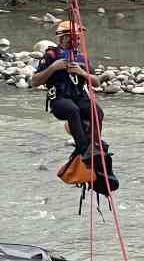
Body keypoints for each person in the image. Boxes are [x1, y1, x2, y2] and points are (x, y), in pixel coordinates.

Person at [31, 20, 101, 163]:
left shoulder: (81, 57)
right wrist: (53, 68)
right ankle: (83, 148)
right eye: (74, 36)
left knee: (97, 111)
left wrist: (82, 72)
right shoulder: (51, 55)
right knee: (72, 110)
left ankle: (94, 143)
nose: (78, 39)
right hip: (59, 99)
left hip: (79, 96)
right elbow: (34, 81)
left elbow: (96, 82)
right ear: (64, 37)